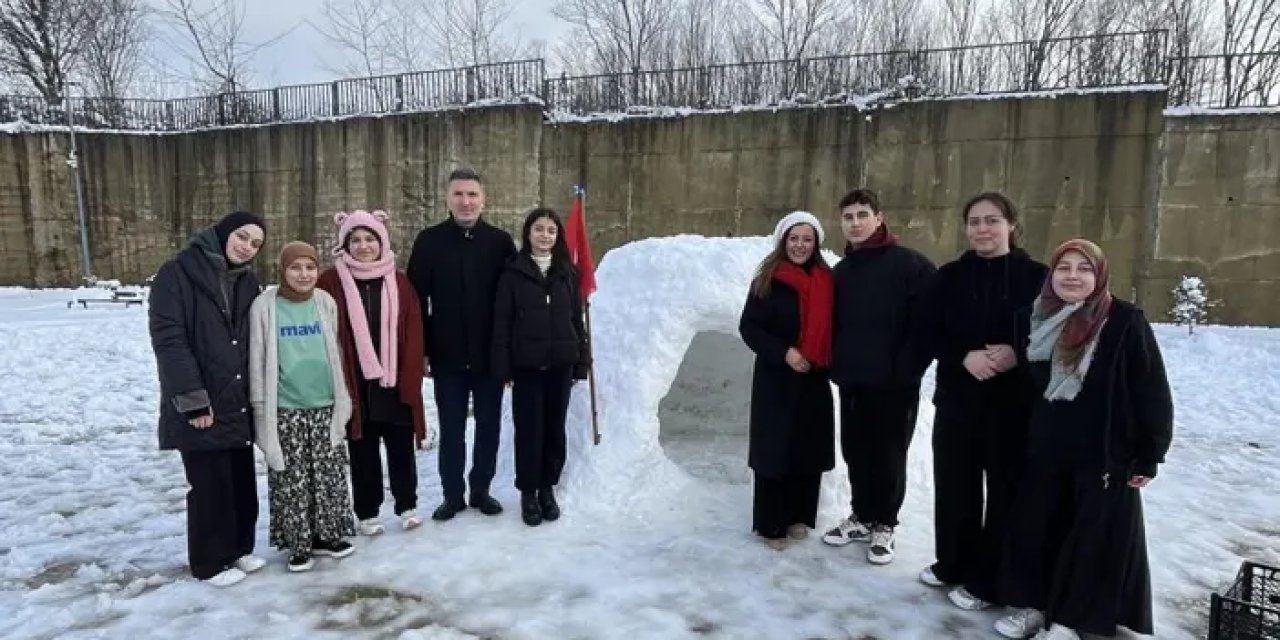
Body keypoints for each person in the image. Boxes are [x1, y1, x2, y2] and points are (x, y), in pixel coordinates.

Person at [992, 238, 1173, 640]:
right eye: (1064, 268)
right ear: (1051, 274)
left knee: (1089, 537)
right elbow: (1021, 389)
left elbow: (1151, 390)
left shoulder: (1124, 320)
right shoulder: (1032, 319)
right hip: (1045, 448)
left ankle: (1071, 619)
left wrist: (1150, 453)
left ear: (1100, 274)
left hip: (1105, 452)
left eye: (1084, 268)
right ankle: (1035, 607)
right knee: (1038, 527)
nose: (1073, 276)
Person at [919, 193, 1049, 611]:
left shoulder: (1037, 277)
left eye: (992, 220)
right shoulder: (950, 276)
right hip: (958, 398)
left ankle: (990, 579)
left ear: (1011, 224)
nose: (982, 229)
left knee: (1005, 493)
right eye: (974, 221)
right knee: (955, 486)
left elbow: (1053, 332)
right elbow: (927, 328)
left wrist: (1017, 351)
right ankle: (953, 562)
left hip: (1013, 404)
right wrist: (962, 354)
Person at [148, 210, 267, 587]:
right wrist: (192, 399)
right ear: (223, 233)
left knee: (239, 481)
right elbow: (170, 339)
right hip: (201, 397)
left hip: (237, 396)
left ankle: (238, 549)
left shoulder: (248, 282)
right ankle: (210, 562)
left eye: (255, 244)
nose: (247, 247)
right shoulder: (177, 274)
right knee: (209, 484)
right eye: (243, 237)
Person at [822, 188, 936, 565]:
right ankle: (862, 515)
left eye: (862, 215)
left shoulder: (911, 266)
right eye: (848, 217)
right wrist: (837, 367)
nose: (855, 223)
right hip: (853, 380)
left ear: (879, 217)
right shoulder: (842, 271)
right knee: (856, 450)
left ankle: (884, 524)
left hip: (894, 385)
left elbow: (926, 327)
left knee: (889, 455)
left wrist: (905, 372)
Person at [407, 168, 517, 521]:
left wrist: (508, 351)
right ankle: (452, 494)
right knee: (452, 428)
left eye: (472, 194)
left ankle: (481, 490)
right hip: (447, 355)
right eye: (459, 194)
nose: (466, 201)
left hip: (489, 357)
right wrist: (421, 349)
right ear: (447, 199)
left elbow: (512, 301)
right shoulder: (429, 241)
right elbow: (415, 301)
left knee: (488, 426)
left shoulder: (500, 243)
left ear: (483, 199)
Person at [317, 210, 427, 535]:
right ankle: (367, 511)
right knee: (362, 449)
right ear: (345, 244)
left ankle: (407, 505)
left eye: (370, 239)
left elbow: (415, 328)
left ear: (382, 242)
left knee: (400, 447)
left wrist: (411, 376)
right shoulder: (330, 282)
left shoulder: (399, 280)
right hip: (355, 381)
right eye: (356, 240)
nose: (363, 246)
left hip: (393, 380)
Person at [249, 242, 356, 572]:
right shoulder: (265, 306)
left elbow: (335, 347)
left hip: (324, 402)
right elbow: (256, 357)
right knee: (291, 477)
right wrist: (259, 404)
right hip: (286, 406)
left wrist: (343, 397)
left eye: (310, 267)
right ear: (283, 271)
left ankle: (329, 535)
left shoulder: (324, 301)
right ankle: (298, 543)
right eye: (296, 268)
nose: (304, 274)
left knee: (328, 474)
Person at [739, 211, 836, 550]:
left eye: (807, 239)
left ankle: (799, 515)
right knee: (774, 449)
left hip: (814, 377)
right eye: (794, 238)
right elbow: (749, 328)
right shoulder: (768, 279)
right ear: (783, 241)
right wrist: (785, 353)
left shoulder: (828, 279)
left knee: (808, 447)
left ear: (816, 243)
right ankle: (771, 524)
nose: (800, 245)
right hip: (777, 377)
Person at [491, 208, 591, 527]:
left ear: (558, 235)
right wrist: (503, 366)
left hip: (560, 364)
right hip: (527, 367)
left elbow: (577, 320)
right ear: (528, 233)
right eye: (539, 229)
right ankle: (528, 492)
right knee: (529, 431)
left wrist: (580, 362)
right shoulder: (512, 273)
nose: (545, 236)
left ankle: (548, 487)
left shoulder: (568, 274)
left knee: (554, 429)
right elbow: (502, 323)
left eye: (551, 230)